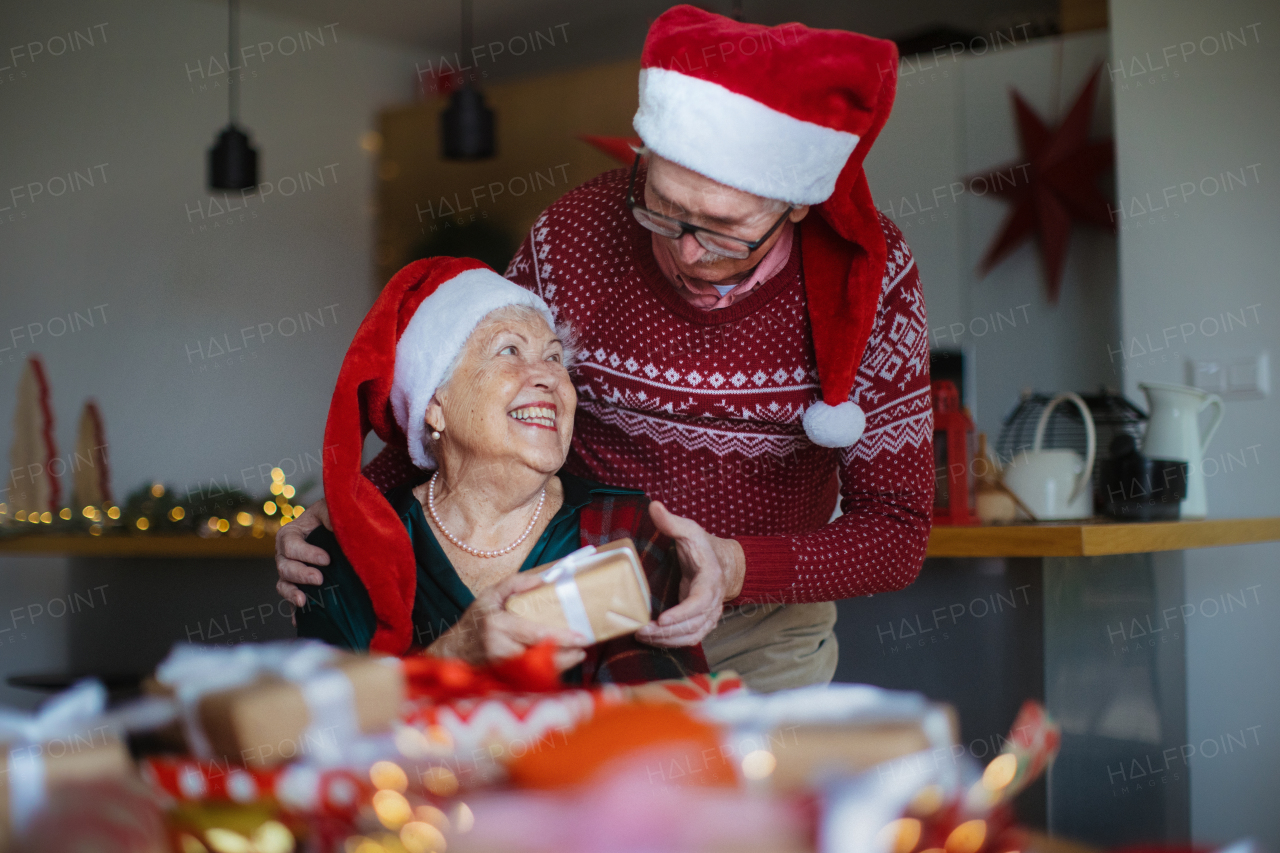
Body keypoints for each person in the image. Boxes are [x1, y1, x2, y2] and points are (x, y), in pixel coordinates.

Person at [279, 7, 933, 693]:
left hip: (765, 629)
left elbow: (896, 531)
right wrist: (347, 512)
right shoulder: (575, 233)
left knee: (749, 793)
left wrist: (731, 565)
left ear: (796, 204)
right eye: (663, 207)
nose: (685, 248)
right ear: (645, 160)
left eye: (723, 229)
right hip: (580, 607)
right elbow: (468, 383)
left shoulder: (874, 278)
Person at [295, 256, 706, 686]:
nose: (548, 376)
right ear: (434, 405)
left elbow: (673, 725)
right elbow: (318, 728)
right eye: (509, 350)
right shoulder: (346, 551)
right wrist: (453, 655)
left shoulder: (628, 529)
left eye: (554, 358)